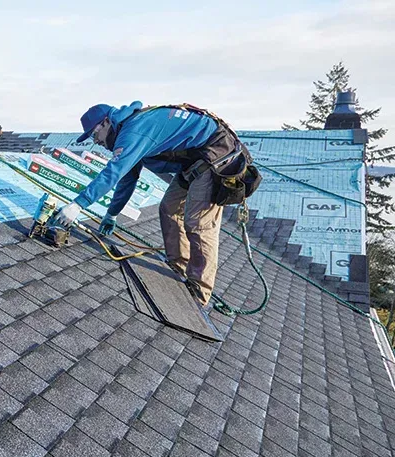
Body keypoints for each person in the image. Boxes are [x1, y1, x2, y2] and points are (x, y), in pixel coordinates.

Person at [52, 101, 252, 305]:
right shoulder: (130, 133)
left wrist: (77, 205)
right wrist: (112, 214)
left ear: (105, 123)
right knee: (169, 208)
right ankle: (177, 264)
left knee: (198, 224)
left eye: (94, 135)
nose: (97, 142)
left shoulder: (134, 131)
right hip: (194, 161)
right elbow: (127, 178)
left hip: (217, 157)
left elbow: (113, 172)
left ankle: (199, 292)